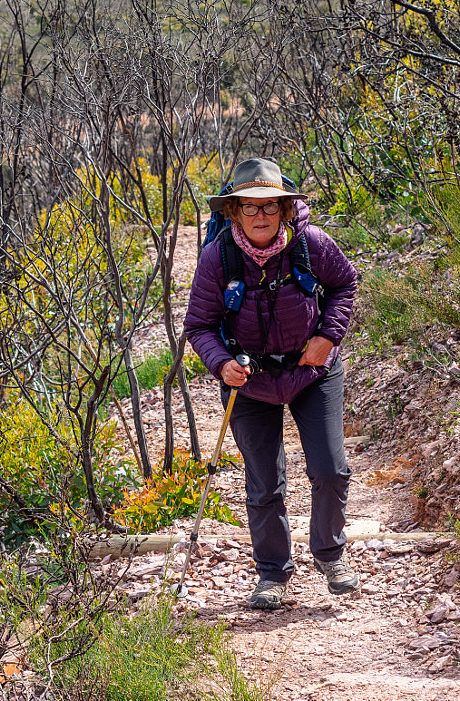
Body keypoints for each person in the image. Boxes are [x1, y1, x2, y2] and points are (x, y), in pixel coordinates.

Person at [184, 157, 359, 609]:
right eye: (249, 206)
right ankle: (272, 576)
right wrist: (222, 364)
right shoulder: (217, 257)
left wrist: (327, 337)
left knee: (329, 470)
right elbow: (200, 325)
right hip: (249, 380)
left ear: (284, 209)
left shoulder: (312, 244)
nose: (260, 215)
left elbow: (345, 284)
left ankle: (330, 554)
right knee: (264, 483)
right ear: (233, 211)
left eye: (269, 205)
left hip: (311, 370)